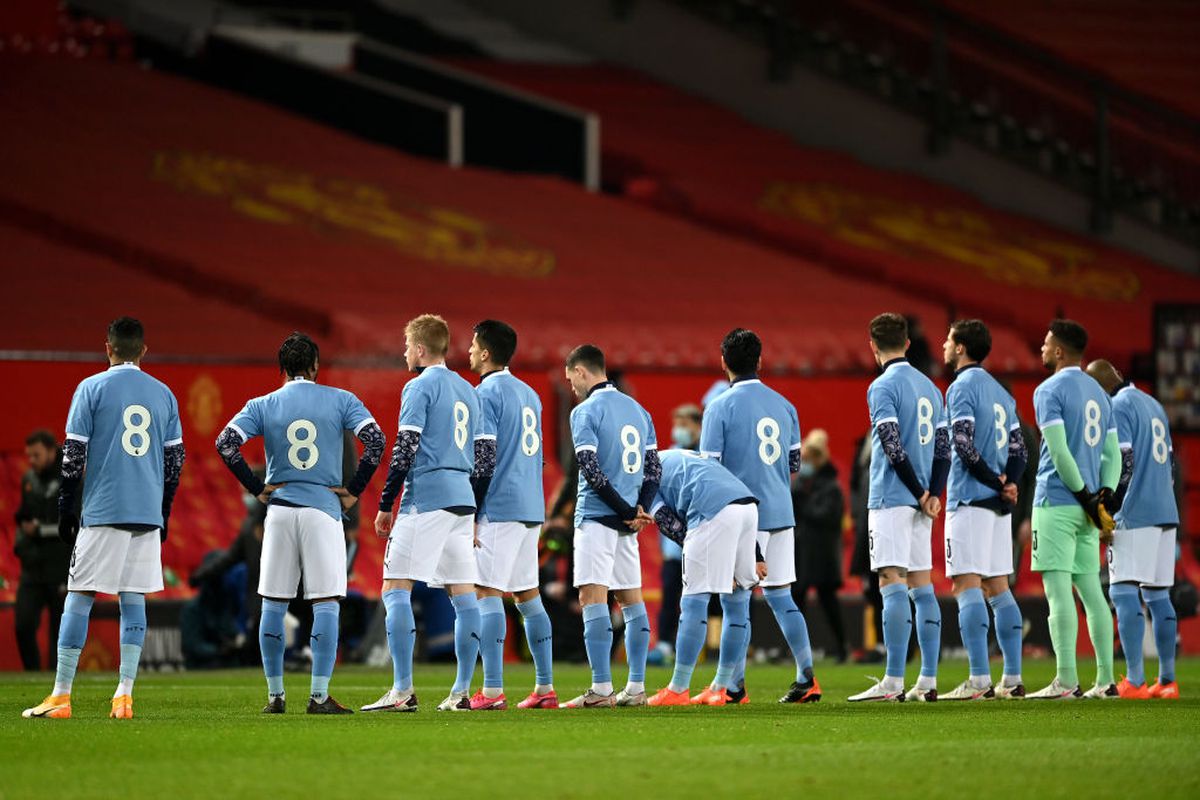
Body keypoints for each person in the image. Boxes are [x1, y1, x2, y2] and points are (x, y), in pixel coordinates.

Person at [23, 317, 184, 720]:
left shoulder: (91, 388)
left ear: (108, 348)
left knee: (79, 595)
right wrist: (163, 509)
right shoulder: (164, 394)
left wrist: (65, 507)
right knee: (134, 598)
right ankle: (124, 696)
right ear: (143, 350)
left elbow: (73, 454)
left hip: (104, 508)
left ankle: (61, 696)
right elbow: (174, 461)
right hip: (146, 512)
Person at [216, 332, 384, 714]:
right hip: (322, 511)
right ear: (315, 366)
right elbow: (376, 441)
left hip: (279, 512)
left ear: (282, 369)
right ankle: (319, 696)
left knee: (273, 604)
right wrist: (354, 490)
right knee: (326, 603)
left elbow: (225, 443)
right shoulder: (341, 400)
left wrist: (256, 487)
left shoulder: (262, 404)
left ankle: (275, 697)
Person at [364, 314, 488, 713]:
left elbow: (405, 447)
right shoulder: (469, 390)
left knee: (395, 587)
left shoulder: (418, 387)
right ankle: (461, 692)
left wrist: (386, 503)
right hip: (463, 499)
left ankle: (402, 690)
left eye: (406, 347)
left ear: (420, 349)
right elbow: (484, 457)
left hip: (427, 498)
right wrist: (474, 510)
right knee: (464, 596)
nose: (404, 353)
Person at [695, 328, 819, 705]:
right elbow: (794, 463)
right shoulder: (785, 405)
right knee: (782, 597)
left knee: (736, 601)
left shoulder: (719, 407)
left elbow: (709, 470)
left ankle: (730, 687)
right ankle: (807, 679)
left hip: (744, 517)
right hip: (781, 512)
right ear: (760, 361)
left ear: (723, 362)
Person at [849, 312, 949, 703]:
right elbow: (943, 449)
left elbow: (891, 445)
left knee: (891, 582)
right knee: (922, 586)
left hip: (892, 498)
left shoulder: (882, 386)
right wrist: (933, 493)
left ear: (873, 346)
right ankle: (928, 679)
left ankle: (892, 681)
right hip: (923, 503)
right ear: (907, 343)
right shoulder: (931, 388)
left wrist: (919, 492)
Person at [562, 344, 660, 709]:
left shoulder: (585, 411)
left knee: (592, 597)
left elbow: (589, 467)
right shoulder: (639, 410)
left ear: (582, 371)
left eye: (570, 378)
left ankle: (602, 688)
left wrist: (624, 509)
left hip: (598, 517)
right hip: (628, 523)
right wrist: (639, 509)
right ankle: (636, 688)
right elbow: (654, 469)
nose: (571, 386)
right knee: (631, 602)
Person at [1027, 320, 1121, 700]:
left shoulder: (1048, 390)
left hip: (1057, 501)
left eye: (1046, 343)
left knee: (1058, 590)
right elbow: (1113, 454)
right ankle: (1106, 680)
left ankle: (1066, 680)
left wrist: (1084, 496)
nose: (1042, 348)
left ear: (1059, 351)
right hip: (1088, 511)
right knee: (1091, 592)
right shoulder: (1100, 393)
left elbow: (1059, 452)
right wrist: (1102, 499)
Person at [466, 319, 556, 710]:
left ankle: (491, 691)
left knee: (486, 592)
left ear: (486, 352)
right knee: (527, 596)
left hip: (499, 505)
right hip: (530, 505)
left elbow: (484, 456)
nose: (469, 351)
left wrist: (472, 509)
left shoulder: (484, 393)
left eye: (473, 345)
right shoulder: (529, 393)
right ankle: (545, 688)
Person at [940, 320, 1028, 700]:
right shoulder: (1001, 393)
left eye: (948, 340)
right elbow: (1020, 449)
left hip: (970, 499)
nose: (944, 346)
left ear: (961, 347)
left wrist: (994, 480)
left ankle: (978, 679)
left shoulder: (961, 387)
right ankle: (1013, 677)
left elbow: (962, 444)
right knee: (999, 587)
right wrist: (1010, 483)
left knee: (966, 584)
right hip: (998, 506)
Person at [1086, 359, 1181, 700]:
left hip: (1135, 511)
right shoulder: (1153, 404)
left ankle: (1136, 682)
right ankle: (1167, 681)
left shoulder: (1118, 406)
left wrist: (1110, 509)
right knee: (1158, 595)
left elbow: (1124, 462)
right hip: (1165, 510)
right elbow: (1171, 463)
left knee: (1123, 591)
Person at [646, 449, 767, 705]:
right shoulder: (679, 455)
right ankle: (722, 687)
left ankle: (678, 689)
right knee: (737, 603)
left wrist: (712, 558)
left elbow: (669, 523)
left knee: (693, 601)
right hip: (747, 506)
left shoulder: (641, 475)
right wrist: (754, 554)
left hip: (712, 511)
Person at [14, 430, 71, 672]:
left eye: (36, 455)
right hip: (33, 567)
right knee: (23, 625)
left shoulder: (70, 478)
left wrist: (38, 530)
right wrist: (21, 544)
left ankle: (58, 680)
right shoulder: (29, 479)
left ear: (51, 451)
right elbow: (23, 517)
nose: (31, 461)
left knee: (59, 632)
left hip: (60, 566)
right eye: (29, 456)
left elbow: (72, 525)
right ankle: (33, 673)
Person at [791, 429, 848, 664]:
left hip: (823, 554)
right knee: (798, 599)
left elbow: (827, 516)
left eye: (806, 459)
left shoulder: (831, 487)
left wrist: (803, 503)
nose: (803, 465)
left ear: (816, 459)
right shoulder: (803, 484)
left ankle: (841, 647)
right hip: (803, 552)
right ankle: (797, 650)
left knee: (828, 601)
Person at [657, 404, 702, 659]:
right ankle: (665, 644)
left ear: (698, 426)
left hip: (701, 540)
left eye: (684, 424)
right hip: (673, 547)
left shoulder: (706, 456)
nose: (679, 430)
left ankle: (702, 646)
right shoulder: (669, 455)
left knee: (700, 597)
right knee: (670, 595)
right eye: (677, 424)